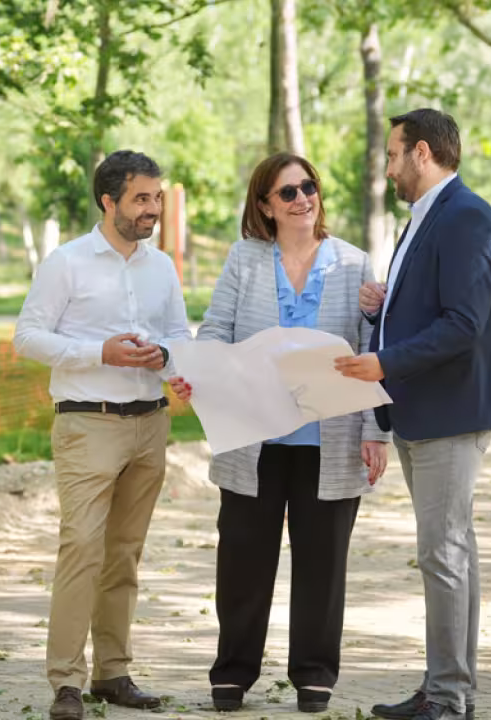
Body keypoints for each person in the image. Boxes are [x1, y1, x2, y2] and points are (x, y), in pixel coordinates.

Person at [169, 152, 390, 714]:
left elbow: (372, 350)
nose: (302, 199)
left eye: (308, 187)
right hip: (254, 440)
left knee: (322, 563)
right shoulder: (245, 260)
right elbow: (217, 329)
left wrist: (375, 431)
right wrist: (203, 375)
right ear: (265, 206)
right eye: (287, 192)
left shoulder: (352, 261)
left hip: (329, 439)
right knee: (243, 559)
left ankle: (314, 675)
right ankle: (233, 673)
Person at [334, 108, 491, 720]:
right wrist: (382, 307)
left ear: (420, 153)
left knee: (443, 555)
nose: (387, 169)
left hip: (450, 410)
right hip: (424, 409)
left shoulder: (466, 216)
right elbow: (437, 307)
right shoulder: (426, 218)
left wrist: (385, 362)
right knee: (452, 553)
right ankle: (447, 690)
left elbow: (464, 325)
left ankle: (447, 696)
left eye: (392, 156)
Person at [13, 149, 191, 720]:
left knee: (124, 555)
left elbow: (179, 337)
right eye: (141, 198)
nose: (152, 209)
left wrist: (163, 356)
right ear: (108, 200)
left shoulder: (161, 267)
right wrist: (100, 352)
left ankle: (112, 673)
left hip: (150, 424)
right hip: (87, 422)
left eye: (157, 197)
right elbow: (28, 336)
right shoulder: (66, 262)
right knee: (82, 550)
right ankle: (65, 683)